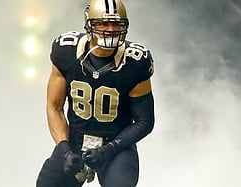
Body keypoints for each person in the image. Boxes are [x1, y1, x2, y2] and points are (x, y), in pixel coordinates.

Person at [36, 0, 155, 186]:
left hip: (116, 145)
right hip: (75, 140)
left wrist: (109, 149)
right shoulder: (66, 51)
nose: (110, 30)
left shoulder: (135, 62)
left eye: (116, 24)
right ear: (89, 24)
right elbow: (54, 107)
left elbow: (145, 121)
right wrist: (65, 150)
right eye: (103, 23)